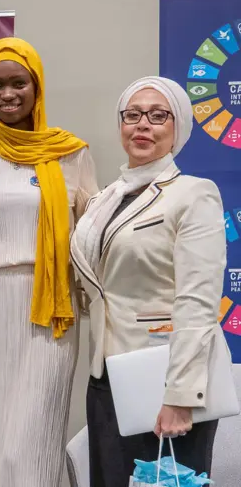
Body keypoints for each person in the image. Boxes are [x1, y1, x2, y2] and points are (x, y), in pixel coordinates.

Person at [0, 37, 98, 486]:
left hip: (50, 313)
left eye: (19, 83)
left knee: (33, 440)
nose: (8, 94)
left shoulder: (71, 153)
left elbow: (93, 236)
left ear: (37, 87)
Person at [71, 76, 225, 486]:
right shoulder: (104, 199)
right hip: (106, 376)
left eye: (158, 116)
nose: (143, 124)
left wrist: (180, 395)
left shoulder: (193, 194)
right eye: (133, 114)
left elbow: (198, 300)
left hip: (164, 378)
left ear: (178, 128)